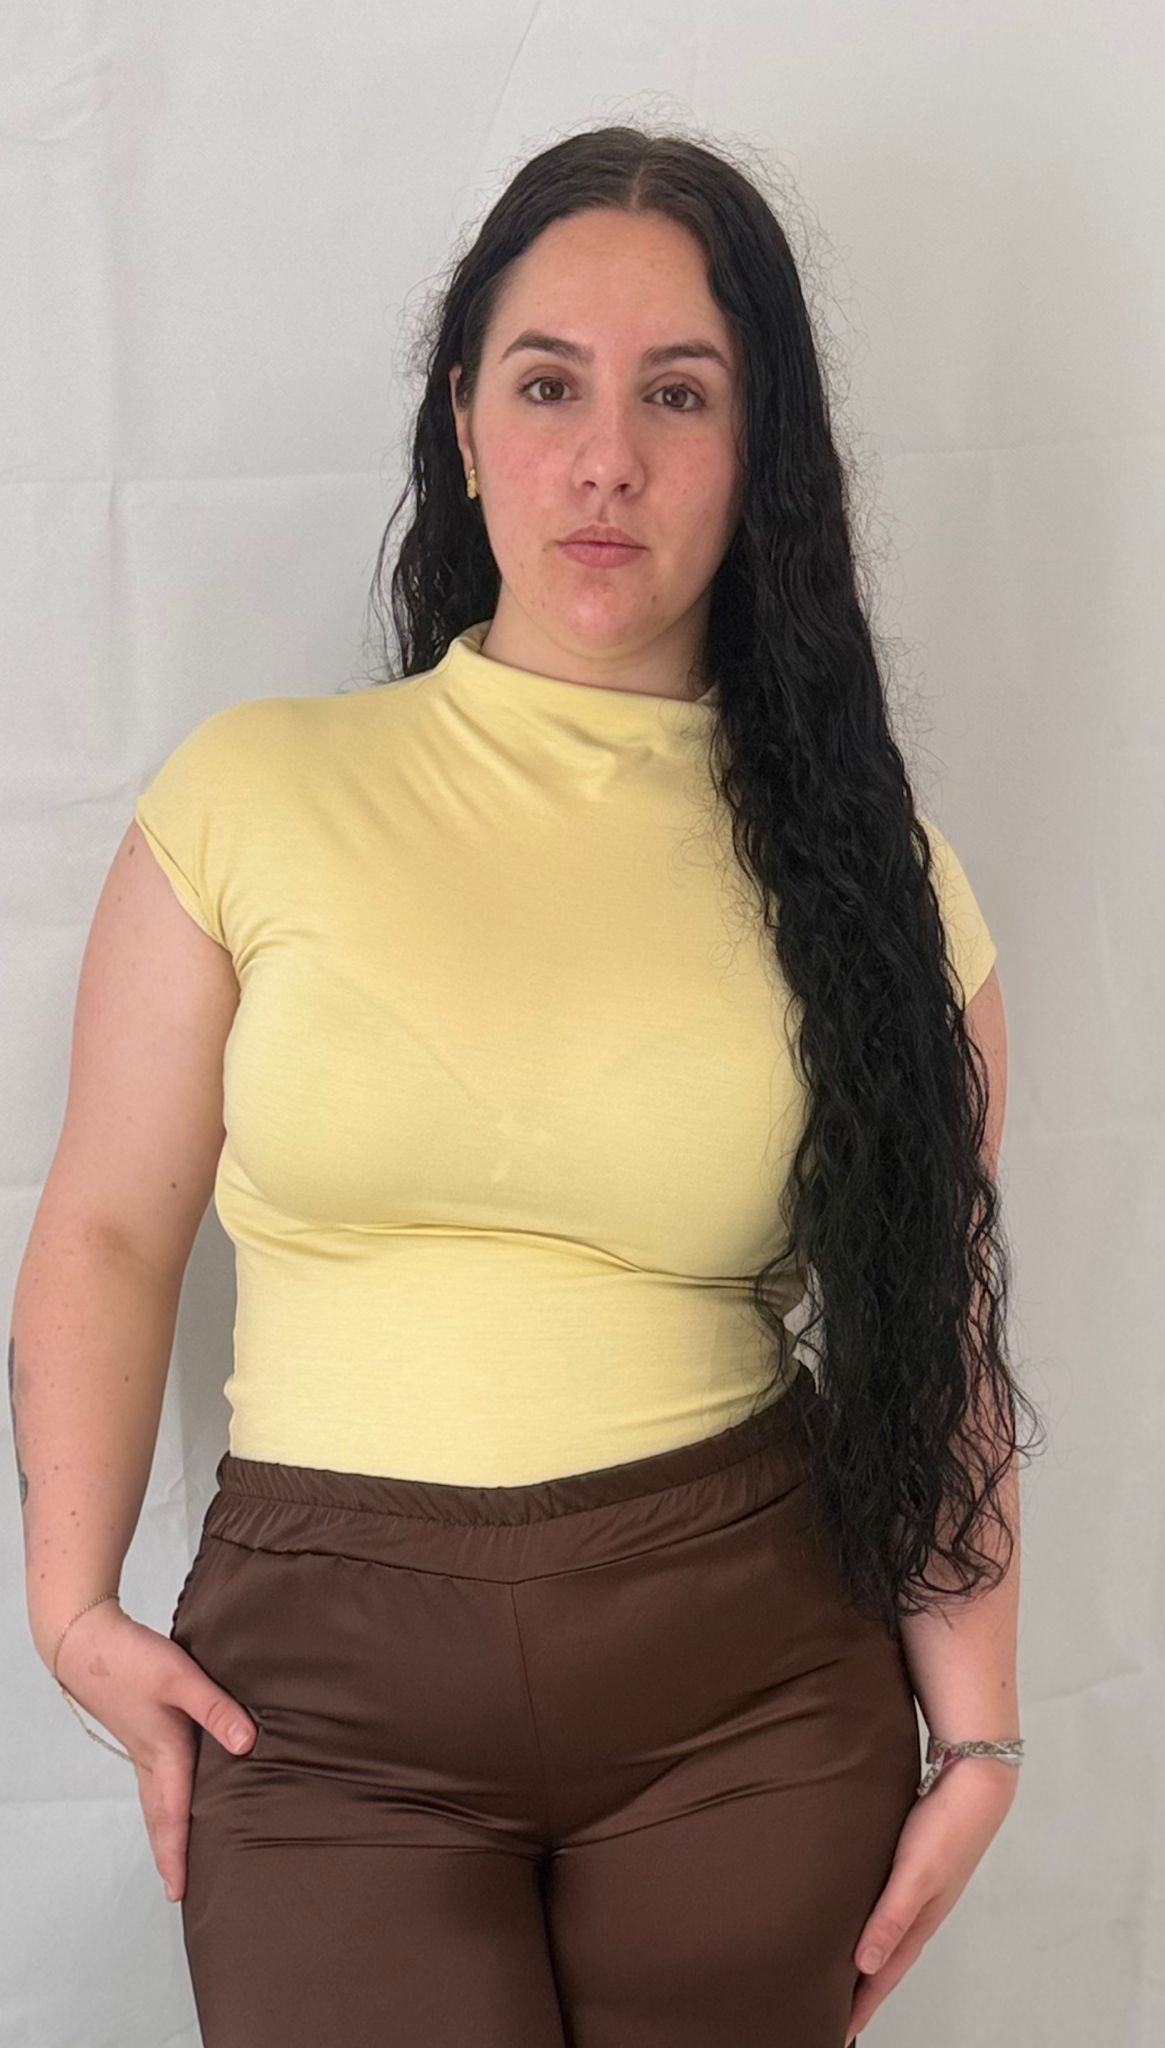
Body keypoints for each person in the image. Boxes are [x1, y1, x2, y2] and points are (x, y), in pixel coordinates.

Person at [12, 123, 1042, 2047]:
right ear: (465, 424)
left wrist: (977, 1732)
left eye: (680, 395)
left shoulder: (876, 884)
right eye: (549, 384)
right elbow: (108, 1227)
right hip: (321, 1696)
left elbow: (929, 1329)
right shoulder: (256, 795)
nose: (606, 459)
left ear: (759, 453)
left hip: (743, 1685)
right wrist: (71, 1609)